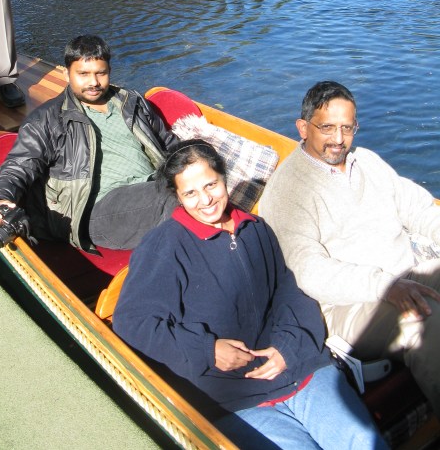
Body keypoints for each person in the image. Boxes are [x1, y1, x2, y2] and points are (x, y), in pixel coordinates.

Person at [112, 140, 387, 450]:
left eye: (211, 185)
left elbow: (289, 291)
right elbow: (132, 322)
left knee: (363, 441)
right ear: (177, 196)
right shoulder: (165, 246)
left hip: (298, 368)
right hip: (230, 397)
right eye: (190, 193)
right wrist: (208, 350)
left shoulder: (255, 229)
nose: (205, 200)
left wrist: (286, 348)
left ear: (223, 177)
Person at [259, 81, 440, 417]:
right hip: (349, 303)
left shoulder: (366, 162)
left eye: (347, 127)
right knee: (426, 323)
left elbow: (419, 209)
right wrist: (383, 285)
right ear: (303, 128)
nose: (339, 139)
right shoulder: (287, 191)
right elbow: (307, 269)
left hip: (405, 273)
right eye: (327, 127)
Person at [0, 34, 179, 250]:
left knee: (199, 184)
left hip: (153, 185)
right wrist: (0, 198)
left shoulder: (131, 101)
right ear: (67, 73)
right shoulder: (47, 119)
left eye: (101, 73)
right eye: (83, 74)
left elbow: (169, 145)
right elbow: (18, 166)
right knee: (182, 196)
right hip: (95, 211)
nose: (94, 82)